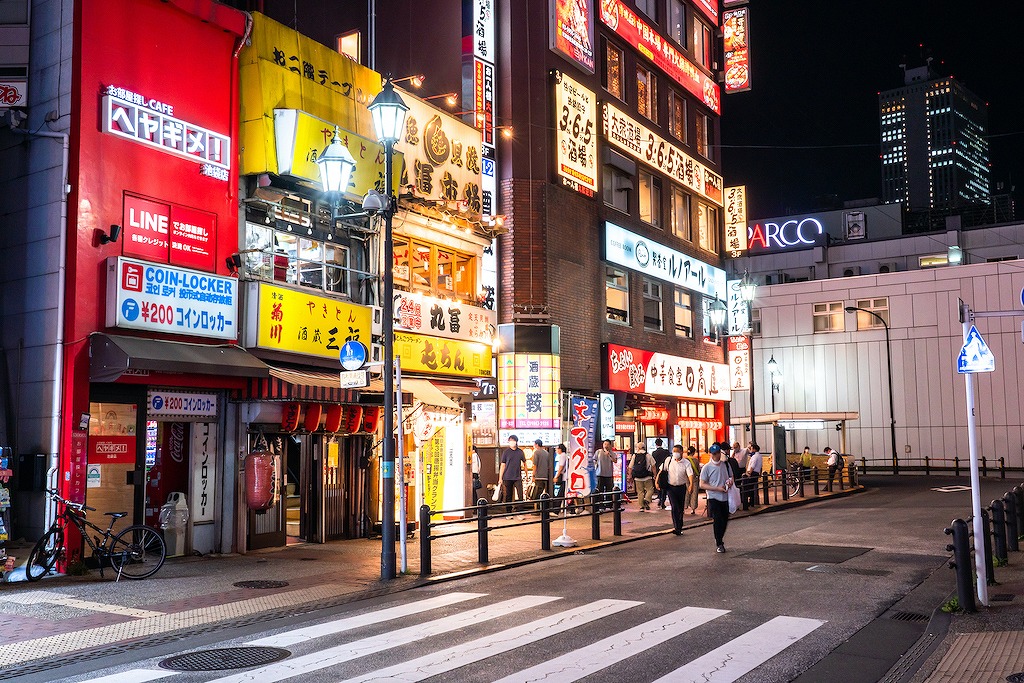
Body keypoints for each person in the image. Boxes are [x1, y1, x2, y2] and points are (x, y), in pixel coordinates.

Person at [699, 443, 734, 553]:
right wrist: (716, 488)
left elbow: (731, 477)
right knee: (718, 520)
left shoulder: (725, 465)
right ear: (711, 454)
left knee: (724, 520)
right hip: (713, 497)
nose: (716, 456)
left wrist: (729, 483)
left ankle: (720, 538)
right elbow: (702, 484)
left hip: (725, 496)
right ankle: (719, 542)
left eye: (717, 453)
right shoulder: (706, 468)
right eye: (714, 454)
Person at [664, 445, 695, 534]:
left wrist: (691, 485)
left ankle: (679, 526)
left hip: (681, 487)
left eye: (676, 451)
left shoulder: (686, 463)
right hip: (671, 487)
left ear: (681, 452)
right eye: (673, 451)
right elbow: (662, 470)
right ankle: (676, 526)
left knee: (680, 507)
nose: (675, 453)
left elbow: (690, 474)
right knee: (674, 506)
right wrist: (657, 481)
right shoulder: (669, 460)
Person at [498, 435, 526, 515]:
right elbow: (502, 465)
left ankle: (520, 512)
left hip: (517, 477)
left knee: (520, 495)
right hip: (507, 477)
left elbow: (524, 463)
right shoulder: (506, 452)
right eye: (510, 441)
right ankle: (508, 512)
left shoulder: (520, 452)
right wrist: (500, 478)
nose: (512, 442)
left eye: (513, 440)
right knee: (508, 495)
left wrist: (526, 474)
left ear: (516, 441)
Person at [627, 444, 657, 511]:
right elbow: (653, 466)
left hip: (637, 477)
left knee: (640, 492)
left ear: (638, 448)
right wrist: (655, 475)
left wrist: (630, 476)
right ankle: (647, 500)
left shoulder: (634, 455)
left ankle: (641, 507)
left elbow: (630, 467)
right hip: (647, 476)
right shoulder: (648, 455)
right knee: (650, 489)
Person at [594, 439, 619, 511]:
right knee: (600, 490)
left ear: (610, 445)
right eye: (605, 444)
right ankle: (601, 506)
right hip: (599, 474)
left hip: (609, 474)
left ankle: (609, 505)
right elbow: (594, 460)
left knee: (609, 490)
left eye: (608, 444)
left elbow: (615, 461)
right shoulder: (598, 452)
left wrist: (609, 455)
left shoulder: (612, 453)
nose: (606, 446)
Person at [651, 439, 671, 509]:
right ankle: (663, 500)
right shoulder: (666, 452)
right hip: (665, 471)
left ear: (656, 444)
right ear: (662, 443)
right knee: (664, 487)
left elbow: (653, 464)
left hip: (657, 471)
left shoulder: (654, 453)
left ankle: (660, 498)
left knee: (658, 485)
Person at [743, 443, 763, 510]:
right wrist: (760, 473)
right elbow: (761, 466)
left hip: (752, 473)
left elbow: (753, 465)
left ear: (754, 449)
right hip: (756, 473)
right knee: (753, 487)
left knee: (749, 487)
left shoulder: (754, 456)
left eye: (751, 448)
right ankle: (752, 502)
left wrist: (749, 473)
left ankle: (749, 502)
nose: (750, 450)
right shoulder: (760, 456)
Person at [685, 446, 702, 514]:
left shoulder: (685, 460)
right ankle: (693, 509)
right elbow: (698, 470)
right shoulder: (696, 460)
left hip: (686, 479)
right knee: (694, 493)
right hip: (695, 479)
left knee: (686, 493)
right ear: (694, 452)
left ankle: (685, 506)